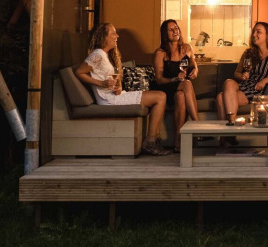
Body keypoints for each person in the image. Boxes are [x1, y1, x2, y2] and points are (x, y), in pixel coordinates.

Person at [75, 23, 170, 156]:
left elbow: (108, 78)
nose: (117, 36)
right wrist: (101, 83)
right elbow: (79, 72)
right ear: (103, 36)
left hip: (114, 95)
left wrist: (117, 87)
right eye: (113, 33)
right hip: (108, 100)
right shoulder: (97, 55)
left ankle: (154, 140)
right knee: (160, 97)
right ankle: (150, 142)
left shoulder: (105, 55)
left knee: (160, 96)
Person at [216, 22, 268, 144]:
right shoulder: (248, 53)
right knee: (228, 82)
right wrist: (243, 76)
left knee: (220, 97)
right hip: (245, 84)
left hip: (257, 89)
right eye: (254, 31)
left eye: (258, 32)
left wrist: (265, 80)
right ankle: (231, 129)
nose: (254, 34)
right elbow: (236, 73)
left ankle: (225, 138)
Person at [152, 19, 200, 152]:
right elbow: (159, 80)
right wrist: (175, 79)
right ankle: (198, 124)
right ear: (165, 33)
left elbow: (194, 66)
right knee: (186, 84)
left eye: (176, 28)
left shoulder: (187, 48)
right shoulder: (160, 53)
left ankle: (178, 142)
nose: (175, 31)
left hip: (181, 89)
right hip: (167, 87)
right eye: (171, 29)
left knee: (180, 96)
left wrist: (195, 71)